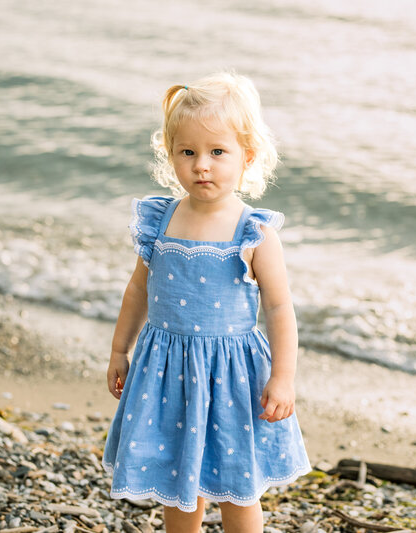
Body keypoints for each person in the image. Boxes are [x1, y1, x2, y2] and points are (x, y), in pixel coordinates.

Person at [102, 71, 311, 533]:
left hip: (232, 377)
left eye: (218, 152)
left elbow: (279, 309)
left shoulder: (253, 232)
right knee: (179, 486)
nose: (202, 165)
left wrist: (283, 377)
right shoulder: (161, 220)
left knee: (238, 488)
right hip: (166, 373)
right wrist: (120, 350)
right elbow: (138, 289)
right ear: (170, 154)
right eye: (188, 152)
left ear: (246, 156)